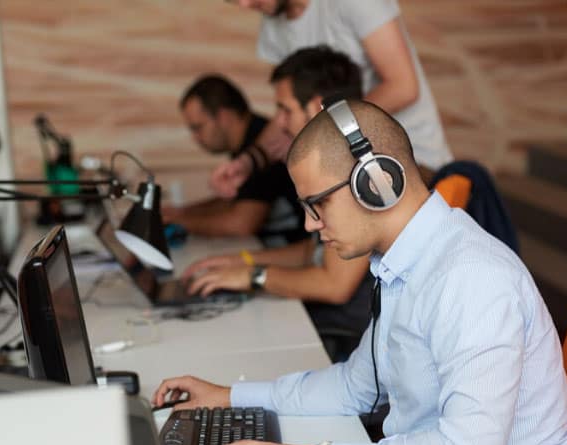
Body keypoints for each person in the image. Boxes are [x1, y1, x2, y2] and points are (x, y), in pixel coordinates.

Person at [154, 100, 567, 445]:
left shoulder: (471, 279)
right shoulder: (403, 265)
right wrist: (231, 397)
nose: (308, 224)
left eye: (317, 204)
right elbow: (353, 388)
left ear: (376, 182)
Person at [184, 47, 374, 358]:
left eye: (285, 110)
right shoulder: (334, 159)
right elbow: (313, 251)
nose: (279, 123)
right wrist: (243, 261)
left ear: (316, 107)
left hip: (353, 336)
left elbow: (334, 285)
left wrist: (254, 277)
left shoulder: (355, 171)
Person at [210, 0, 453, 198]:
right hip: (347, 168)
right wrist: (249, 162)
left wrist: (320, 127)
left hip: (412, 164)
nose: (244, 5)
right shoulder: (273, 28)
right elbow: (290, 108)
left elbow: (403, 87)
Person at [165, 75, 306, 246]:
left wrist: (177, 222)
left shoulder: (261, 143)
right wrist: (181, 213)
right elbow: (235, 200)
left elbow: (242, 224)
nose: (195, 138)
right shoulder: (249, 143)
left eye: (198, 127)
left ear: (223, 116)